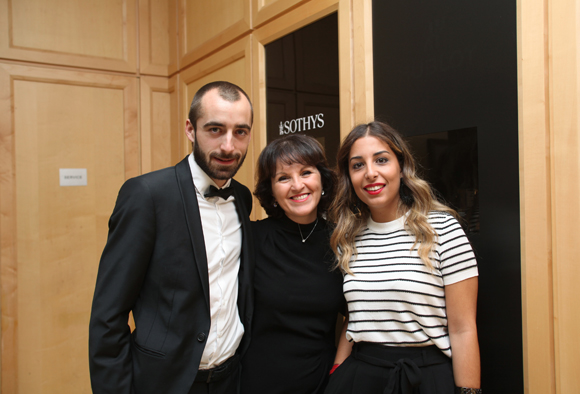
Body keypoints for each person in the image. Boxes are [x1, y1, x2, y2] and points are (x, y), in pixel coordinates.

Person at [89, 81, 255, 394]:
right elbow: (108, 316)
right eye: (215, 130)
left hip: (231, 379)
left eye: (240, 132)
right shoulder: (147, 196)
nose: (229, 146)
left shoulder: (242, 198)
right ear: (191, 130)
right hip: (166, 383)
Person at [324, 121, 481, 394]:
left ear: (401, 166)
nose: (370, 173)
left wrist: (470, 392)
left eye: (381, 160)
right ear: (349, 177)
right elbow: (355, 318)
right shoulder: (347, 238)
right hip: (360, 377)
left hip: (425, 378)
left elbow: (463, 328)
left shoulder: (443, 229)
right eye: (357, 165)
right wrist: (337, 373)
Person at [240, 134, 346, 394]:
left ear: (322, 179)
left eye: (306, 172)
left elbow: (356, 316)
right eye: (283, 178)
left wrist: (339, 370)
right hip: (256, 383)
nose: (297, 185)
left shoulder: (341, 242)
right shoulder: (250, 239)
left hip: (322, 383)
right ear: (272, 191)